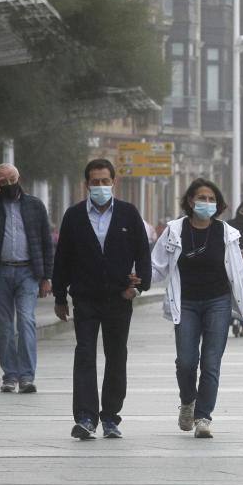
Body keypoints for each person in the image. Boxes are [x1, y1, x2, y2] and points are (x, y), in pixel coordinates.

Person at [53, 158, 151, 440]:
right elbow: (63, 259)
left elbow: (143, 254)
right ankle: (85, 417)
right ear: (86, 184)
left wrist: (137, 286)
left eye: (104, 181)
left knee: (116, 356)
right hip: (85, 298)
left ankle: (110, 416)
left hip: (119, 298)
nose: (100, 186)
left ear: (113, 182)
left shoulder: (128, 214)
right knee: (84, 354)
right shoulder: (73, 216)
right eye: (94, 182)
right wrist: (60, 295)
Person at [151, 178, 243, 438]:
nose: (206, 203)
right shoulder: (175, 230)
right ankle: (188, 402)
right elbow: (157, 265)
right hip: (185, 302)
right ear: (190, 200)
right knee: (186, 361)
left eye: (211, 199)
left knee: (211, 362)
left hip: (217, 302)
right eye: (201, 198)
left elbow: (237, 274)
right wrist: (135, 280)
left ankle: (203, 417)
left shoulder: (226, 233)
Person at [0, 163, 53, 393]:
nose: (7, 186)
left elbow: (46, 242)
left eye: (10, 180)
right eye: (1, 182)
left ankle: (26, 376)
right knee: (4, 326)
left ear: (19, 179)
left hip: (27, 272)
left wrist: (47, 277)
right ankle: (10, 376)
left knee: (26, 321)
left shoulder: (34, 205)